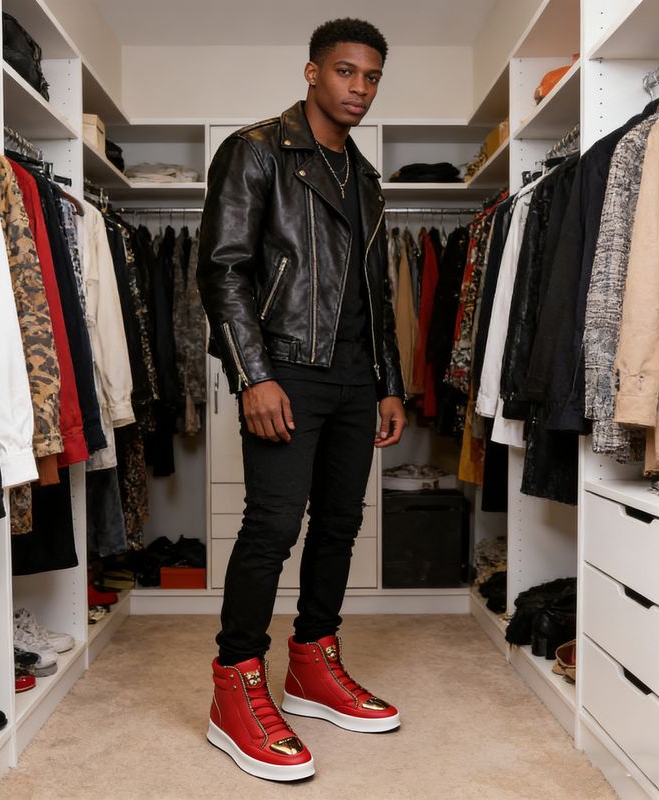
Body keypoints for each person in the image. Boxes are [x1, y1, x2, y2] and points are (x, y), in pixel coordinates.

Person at [197, 17, 406, 782]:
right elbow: (222, 270)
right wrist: (253, 374)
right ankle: (234, 684)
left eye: (372, 76)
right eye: (346, 71)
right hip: (284, 367)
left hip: (354, 375)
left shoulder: (366, 177)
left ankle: (313, 663)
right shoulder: (257, 150)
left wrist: (387, 383)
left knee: (341, 523)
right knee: (273, 526)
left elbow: (377, 293)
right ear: (313, 72)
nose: (361, 88)